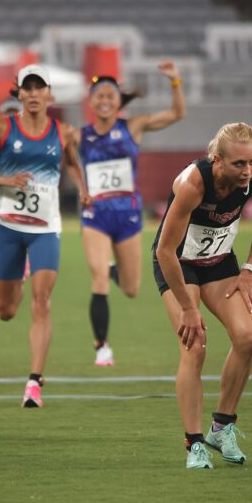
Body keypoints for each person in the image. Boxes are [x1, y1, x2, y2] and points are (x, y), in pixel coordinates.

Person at [153, 122, 252, 469]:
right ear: (217, 160)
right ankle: (193, 444)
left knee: (248, 336)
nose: (247, 171)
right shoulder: (192, 183)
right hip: (179, 263)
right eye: (238, 164)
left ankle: (222, 426)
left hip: (220, 261)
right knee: (195, 344)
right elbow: (165, 251)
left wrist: (249, 270)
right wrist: (189, 308)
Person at [0, 64, 90, 407]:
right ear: (19, 94)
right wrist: (6, 181)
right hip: (8, 225)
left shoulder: (62, 131)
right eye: (28, 88)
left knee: (42, 302)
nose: (34, 94)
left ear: (49, 94)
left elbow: (71, 162)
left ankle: (34, 382)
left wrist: (81, 186)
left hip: (45, 229)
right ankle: (19, 276)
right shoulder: (1, 128)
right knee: (7, 310)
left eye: (40, 88)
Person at [72, 61, 185, 367]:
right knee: (98, 279)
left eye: (111, 95)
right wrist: (79, 185)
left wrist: (175, 82)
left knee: (132, 288)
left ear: (118, 101)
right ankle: (102, 346)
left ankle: (111, 268)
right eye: (100, 95)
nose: (105, 100)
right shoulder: (79, 135)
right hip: (96, 215)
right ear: (91, 102)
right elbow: (61, 156)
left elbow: (177, 114)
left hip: (128, 216)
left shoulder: (133, 127)